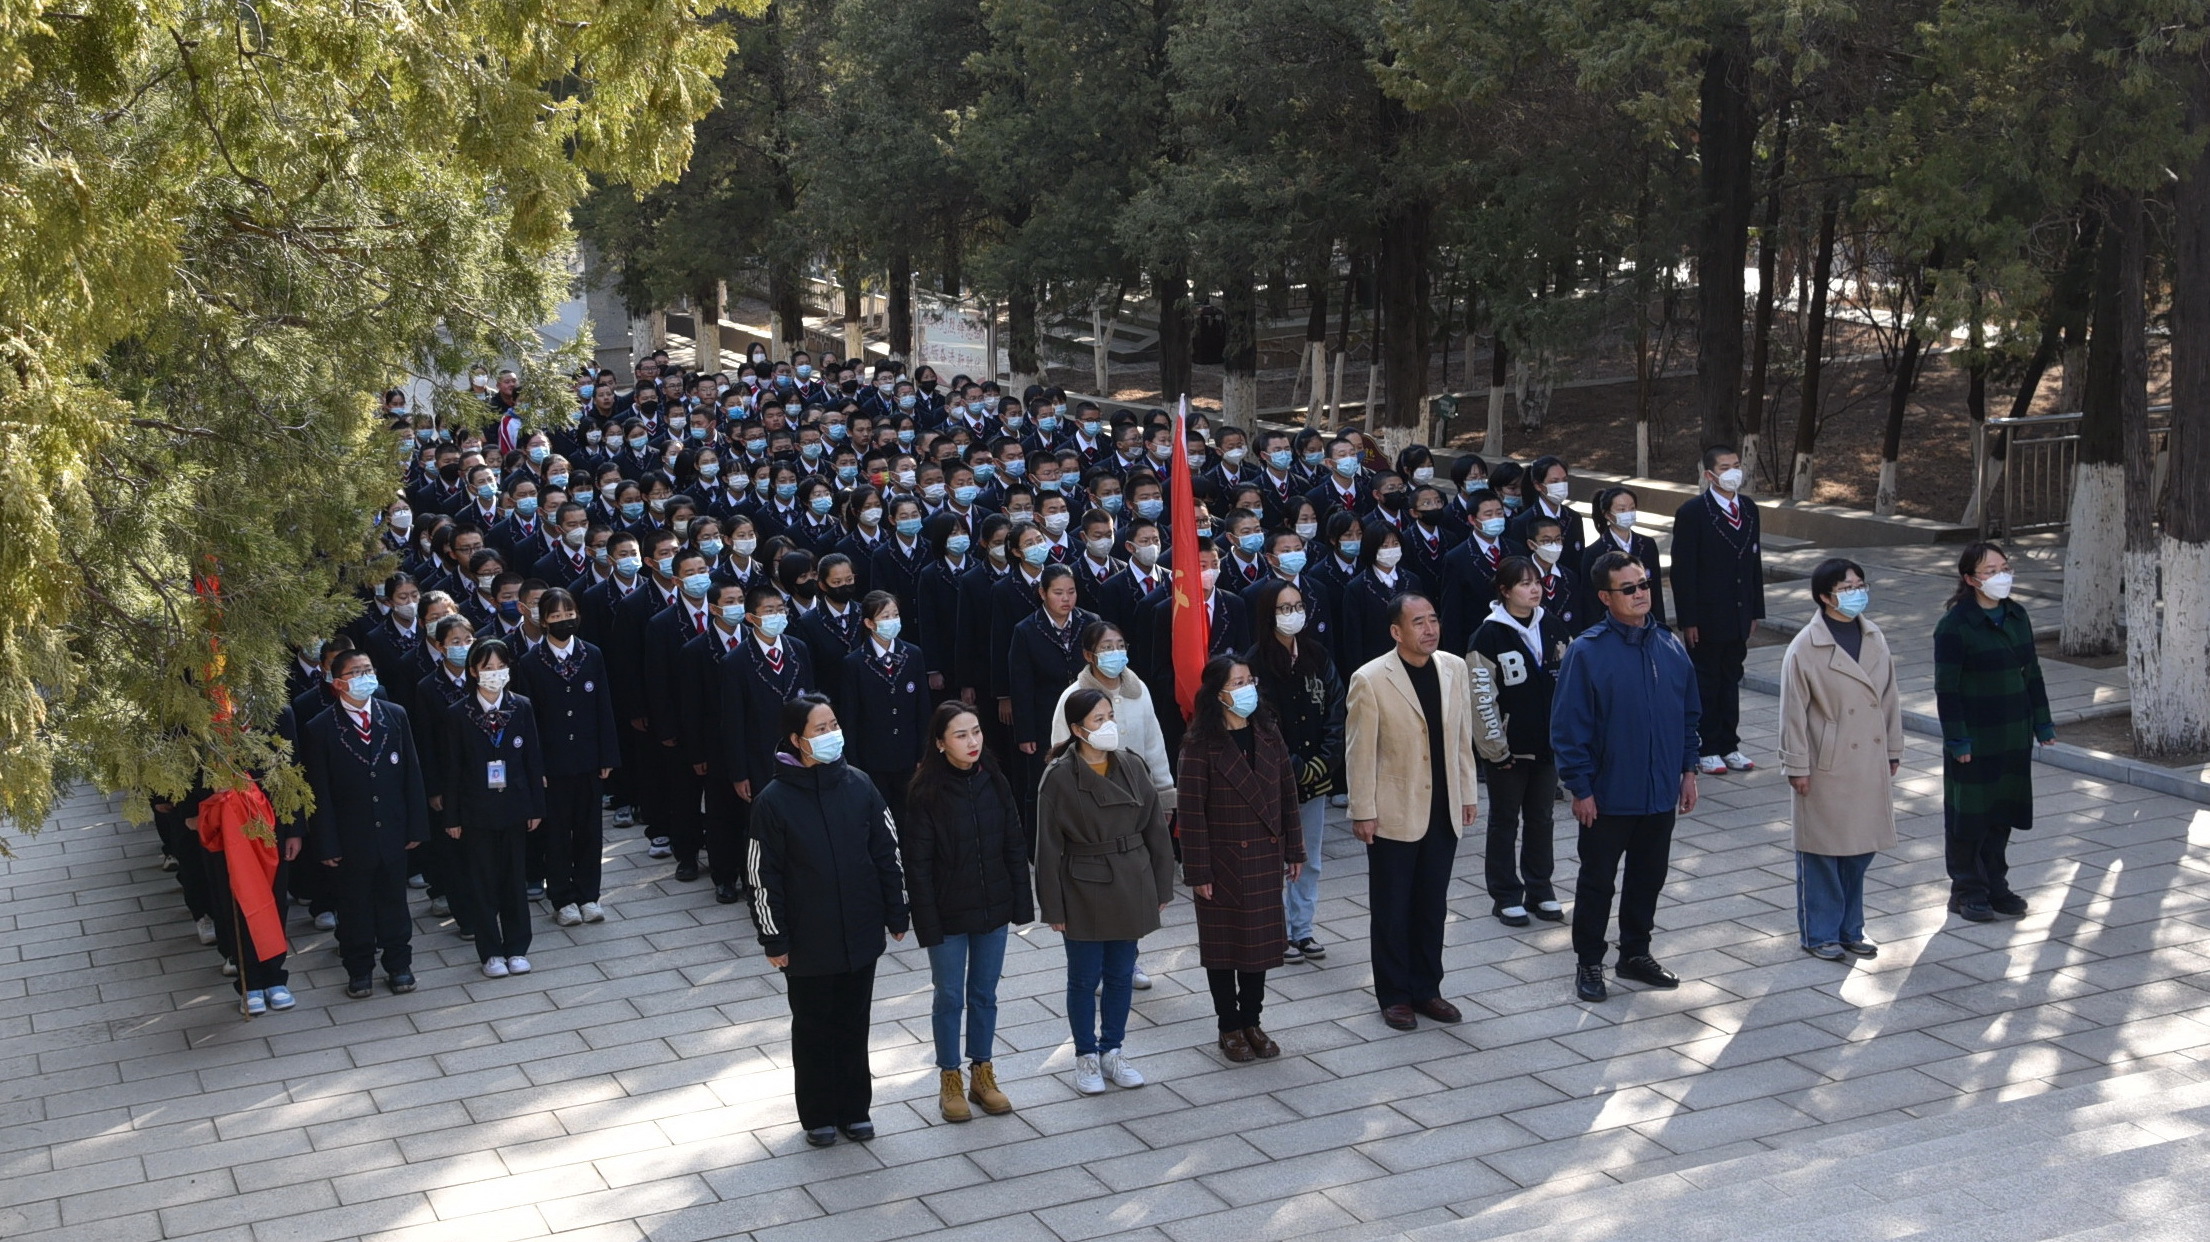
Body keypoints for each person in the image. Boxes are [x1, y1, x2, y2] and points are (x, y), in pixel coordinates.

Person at [748, 694, 908, 1147]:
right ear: (797, 740)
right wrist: (774, 937)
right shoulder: (773, 801)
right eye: (820, 729)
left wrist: (896, 909)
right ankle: (818, 1114)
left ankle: (855, 1109)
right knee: (814, 1027)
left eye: (833, 724)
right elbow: (762, 875)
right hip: (807, 939)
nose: (831, 734)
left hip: (860, 930)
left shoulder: (859, 784)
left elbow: (887, 851)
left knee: (855, 1023)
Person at [1552, 552, 1701, 1003]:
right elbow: (1568, 728)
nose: (1641, 594)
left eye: (1644, 584)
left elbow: (1689, 714)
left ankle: (1635, 953)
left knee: (1648, 877)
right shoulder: (1587, 652)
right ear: (1605, 597)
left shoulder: (1669, 644)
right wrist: (1580, 788)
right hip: (1608, 795)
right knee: (1597, 882)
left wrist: (1688, 770)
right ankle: (1589, 961)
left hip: (1659, 792)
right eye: (1629, 588)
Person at [1344, 594, 1480, 1032]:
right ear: (1396, 632)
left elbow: (1461, 737)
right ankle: (1394, 995)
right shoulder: (1370, 679)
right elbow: (1359, 753)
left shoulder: (1453, 667)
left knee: (1432, 905)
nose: (1429, 629)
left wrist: (1468, 792)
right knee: (1392, 907)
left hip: (1443, 807)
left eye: (1433, 620)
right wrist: (1363, 810)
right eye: (1418, 622)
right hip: (1393, 810)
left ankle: (1427, 988)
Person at [1035, 689, 1174, 1095]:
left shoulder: (1131, 764)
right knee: (1083, 978)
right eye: (1098, 719)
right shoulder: (1059, 777)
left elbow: (1156, 829)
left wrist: (1161, 884)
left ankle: (1113, 1049)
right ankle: (1085, 1055)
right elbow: (1047, 848)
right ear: (1077, 729)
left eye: (1110, 716)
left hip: (1130, 879)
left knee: (1120, 974)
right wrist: (1052, 906)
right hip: (1083, 885)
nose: (1108, 725)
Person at [901, 704, 1030, 1122]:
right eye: (960, 735)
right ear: (940, 743)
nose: (972, 742)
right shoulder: (925, 792)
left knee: (984, 994)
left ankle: (983, 1073)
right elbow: (917, 866)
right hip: (948, 914)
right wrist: (927, 924)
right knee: (950, 996)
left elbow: (1014, 843)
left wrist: (1020, 903)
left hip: (993, 909)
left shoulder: (994, 779)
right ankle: (949, 1078)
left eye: (976, 731)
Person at [1178, 656, 1304, 1063]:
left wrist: (1295, 849)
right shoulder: (1200, 744)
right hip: (1223, 862)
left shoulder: (1268, 732)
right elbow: (1191, 813)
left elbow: (1287, 794)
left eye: (1250, 680)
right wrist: (1198, 869)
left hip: (1264, 856)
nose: (1247, 688)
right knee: (1224, 947)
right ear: (1218, 693)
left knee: (1258, 946)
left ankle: (1252, 1020)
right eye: (1237, 683)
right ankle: (1229, 1025)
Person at [1779, 558, 1903, 958]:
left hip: (1867, 759)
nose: (1856, 593)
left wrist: (1893, 749)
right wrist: (1796, 765)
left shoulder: (1874, 636)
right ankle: (1820, 934)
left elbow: (1889, 698)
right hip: (1826, 762)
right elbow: (1793, 712)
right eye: (1847, 588)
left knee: (1860, 848)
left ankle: (1851, 929)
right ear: (1825, 597)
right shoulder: (1805, 647)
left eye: (1860, 585)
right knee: (1822, 851)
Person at [1933, 541, 2054, 923]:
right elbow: (1947, 690)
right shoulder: (1955, 626)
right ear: (1970, 579)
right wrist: (1958, 740)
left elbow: (2032, 672)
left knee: (2002, 811)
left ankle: (1996, 885)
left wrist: (2043, 723)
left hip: (2012, 733)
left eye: (2005, 568)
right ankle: (1967, 890)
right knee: (1969, 816)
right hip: (1974, 736)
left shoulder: (2017, 615)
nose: (2001, 576)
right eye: (1991, 571)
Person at [299, 649, 430, 998]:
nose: (365, 677)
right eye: (356, 672)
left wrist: (416, 826)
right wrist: (326, 842)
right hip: (350, 836)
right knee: (354, 905)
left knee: (394, 902)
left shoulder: (394, 715)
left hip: (392, 830)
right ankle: (359, 969)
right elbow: (319, 792)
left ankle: (399, 965)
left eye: (369, 669)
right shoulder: (320, 728)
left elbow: (411, 774)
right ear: (338, 682)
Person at [1466, 557, 1569, 928]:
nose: (1534, 589)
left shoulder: (1553, 627)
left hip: (1547, 746)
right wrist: (1495, 750)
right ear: (1505, 591)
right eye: (1524, 584)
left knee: (1542, 818)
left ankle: (1540, 888)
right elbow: (1481, 697)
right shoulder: (1488, 636)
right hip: (1508, 751)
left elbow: (1568, 683)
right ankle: (1506, 894)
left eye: (1536, 582)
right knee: (1505, 820)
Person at [1245, 579, 1343, 964]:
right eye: (1284, 609)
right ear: (1269, 614)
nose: (1293, 615)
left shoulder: (1317, 654)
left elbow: (1336, 710)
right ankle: (1277, 931)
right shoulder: (1254, 663)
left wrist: (1323, 761)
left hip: (1316, 778)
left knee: (1309, 858)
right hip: (1273, 780)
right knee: (1274, 861)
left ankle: (1302, 929)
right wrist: (1294, 766)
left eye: (1298, 606)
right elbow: (1260, 723)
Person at [440, 639, 546, 979]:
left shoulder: (521, 706)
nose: (495, 674)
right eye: (488, 668)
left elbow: (532, 759)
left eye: (501, 666)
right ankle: (490, 952)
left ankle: (517, 948)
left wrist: (535, 806)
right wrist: (452, 816)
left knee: (514, 880)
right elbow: (452, 768)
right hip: (476, 811)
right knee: (482, 882)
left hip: (514, 806)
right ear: (474, 671)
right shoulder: (458, 714)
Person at [517, 588, 620, 927]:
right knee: (557, 834)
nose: (564, 621)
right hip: (553, 764)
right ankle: (562, 898)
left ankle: (590, 895)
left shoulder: (592, 654)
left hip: (588, 759)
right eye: (556, 616)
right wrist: (536, 766)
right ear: (543, 620)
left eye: (569, 614)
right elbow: (529, 720)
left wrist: (607, 755)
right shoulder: (530, 662)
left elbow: (604, 706)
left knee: (590, 831)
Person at [1671, 445, 1765, 775]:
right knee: (1706, 682)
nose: (1733, 472)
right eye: (1725, 467)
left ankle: (1729, 744)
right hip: (1706, 616)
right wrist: (1688, 619)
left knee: (1730, 679)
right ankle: (1706, 746)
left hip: (1738, 614)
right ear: (1709, 475)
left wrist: (1755, 610)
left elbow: (1753, 563)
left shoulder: (1749, 509)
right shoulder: (1694, 512)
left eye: (1736, 465)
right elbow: (1683, 571)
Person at [841, 591, 928, 827]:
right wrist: (854, 763)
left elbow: (922, 709)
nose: (892, 621)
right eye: (885, 616)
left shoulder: (913, 654)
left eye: (895, 615)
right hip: (873, 758)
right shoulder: (855, 663)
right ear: (869, 623)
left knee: (910, 816)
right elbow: (850, 717)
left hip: (908, 755)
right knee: (880, 818)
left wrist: (922, 753)